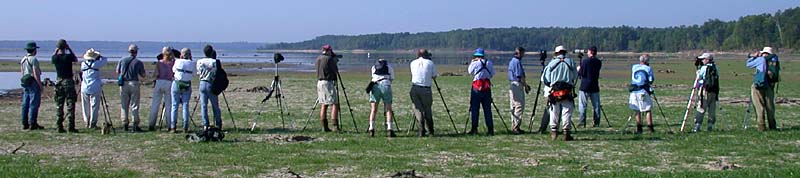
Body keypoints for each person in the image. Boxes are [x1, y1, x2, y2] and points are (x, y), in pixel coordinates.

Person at [542, 46, 578, 141]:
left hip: (555, 90)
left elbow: (545, 79)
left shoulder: (552, 63)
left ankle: (554, 132)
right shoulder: (571, 62)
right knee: (567, 111)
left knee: (554, 111)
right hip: (567, 90)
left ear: (556, 53)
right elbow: (575, 76)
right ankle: (566, 132)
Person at [746, 47, 779, 131]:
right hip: (770, 86)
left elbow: (748, 64)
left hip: (759, 85)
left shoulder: (761, 59)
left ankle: (761, 126)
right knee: (770, 107)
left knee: (759, 106)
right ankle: (772, 126)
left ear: (764, 53)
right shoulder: (775, 60)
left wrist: (754, 57)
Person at [52, 39, 80, 133]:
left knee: (59, 104)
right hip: (68, 81)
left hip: (59, 81)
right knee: (70, 103)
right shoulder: (68, 57)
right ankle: (70, 126)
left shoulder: (55, 58)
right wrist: (70, 49)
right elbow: (75, 59)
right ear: (65, 47)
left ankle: (59, 126)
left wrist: (56, 50)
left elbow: (53, 57)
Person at [117, 44, 146, 132]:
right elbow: (143, 75)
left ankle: (125, 123)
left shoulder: (122, 60)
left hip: (124, 83)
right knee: (134, 105)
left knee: (124, 105)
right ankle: (135, 124)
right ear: (136, 52)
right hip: (134, 83)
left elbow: (117, 71)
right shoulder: (138, 62)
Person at [409, 49, 438, 137]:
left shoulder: (413, 63)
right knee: (427, 109)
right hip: (426, 89)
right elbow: (434, 76)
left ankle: (421, 130)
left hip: (415, 88)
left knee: (418, 109)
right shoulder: (430, 63)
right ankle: (431, 131)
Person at [467, 48, 495, 136]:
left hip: (476, 88)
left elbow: (469, 71)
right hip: (487, 88)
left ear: (476, 56)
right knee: (487, 110)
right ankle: (490, 129)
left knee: (475, 109)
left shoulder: (475, 63)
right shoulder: (489, 63)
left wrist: (472, 62)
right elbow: (492, 74)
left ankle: (474, 128)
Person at [148, 47, 175, 131]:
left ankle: (151, 124)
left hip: (159, 82)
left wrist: (151, 79)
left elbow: (156, 74)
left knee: (155, 104)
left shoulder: (159, 63)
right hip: (169, 82)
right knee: (168, 105)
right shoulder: (173, 62)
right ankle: (169, 124)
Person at [79, 48, 108, 129]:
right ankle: (93, 122)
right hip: (95, 86)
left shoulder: (83, 64)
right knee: (94, 106)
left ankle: (86, 122)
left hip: (84, 87)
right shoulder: (97, 64)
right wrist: (99, 56)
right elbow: (105, 60)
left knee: (85, 106)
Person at [196, 45, 223, 130]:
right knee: (215, 105)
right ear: (212, 52)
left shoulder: (199, 61)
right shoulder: (214, 62)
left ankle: (205, 124)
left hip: (202, 83)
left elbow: (198, 72)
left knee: (203, 105)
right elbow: (217, 72)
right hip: (210, 83)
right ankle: (218, 123)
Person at [367, 59, 396, 137]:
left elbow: (373, 76)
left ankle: (371, 128)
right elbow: (392, 78)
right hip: (386, 84)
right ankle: (390, 129)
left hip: (375, 85)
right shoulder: (389, 67)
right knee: (388, 109)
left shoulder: (373, 67)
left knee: (373, 109)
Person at [315, 45, 340, 132]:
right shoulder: (329, 59)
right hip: (327, 82)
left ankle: (324, 126)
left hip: (319, 82)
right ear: (328, 50)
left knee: (324, 104)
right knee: (335, 103)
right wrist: (335, 61)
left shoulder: (318, 58)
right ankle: (335, 126)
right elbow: (335, 71)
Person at [20, 42, 44, 130]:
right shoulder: (34, 59)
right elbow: (35, 73)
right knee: (34, 103)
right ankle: (33, 123)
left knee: (25, 103)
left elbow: (22, 72)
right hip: (32, 82)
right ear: (34, 50)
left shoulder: (23, 59)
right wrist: (40, 85)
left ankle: (24, 123)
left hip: (25, 82)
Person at [692, 53, 719, 132]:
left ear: (707, 59)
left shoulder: (704, 68)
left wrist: (698, 74)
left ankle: (697, 125)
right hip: (714, 91)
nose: (702, 61)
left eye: (703, 59)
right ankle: (710, 125)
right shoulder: (715, 67)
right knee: (712, 109)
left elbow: (700, 78)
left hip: (705, 90)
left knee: (701, 108)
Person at [629, 54, 655, 134]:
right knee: (647, 109)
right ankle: (650, 127)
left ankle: (639, 128)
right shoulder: (648, 68)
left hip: (634, 91)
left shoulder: (634, 67)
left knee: (637, 110)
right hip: (643, 91)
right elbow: (651, 80)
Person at [577, 46, 603, 127]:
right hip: (594, 85)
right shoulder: (598, 62)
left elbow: (582, 74)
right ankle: (596, 122)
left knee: (583, 105)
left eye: (588, 51)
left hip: (585, 86)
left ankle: (582, 122)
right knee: (596, 105)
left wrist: (579, 69)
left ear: (590, 52)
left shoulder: (585, 61)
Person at [507, 47, 530, 134]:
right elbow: (520, 76)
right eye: (523, 53)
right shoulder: (517, 62)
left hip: (513, 84)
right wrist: (526, 86)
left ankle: (514, 125)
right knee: (519, 105)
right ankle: (516, 126)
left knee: (513, 106)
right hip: (517, 84)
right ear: (519, 53)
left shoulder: (512, 61)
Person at [171, 48, 195, 133]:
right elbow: (194, 74)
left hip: (177, 83)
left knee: (174, 105)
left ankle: (173, 126)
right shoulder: (192, 63)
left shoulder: (177, 61)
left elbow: (173, 70)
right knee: (185, 106)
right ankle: (185, 126)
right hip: (186, 84)